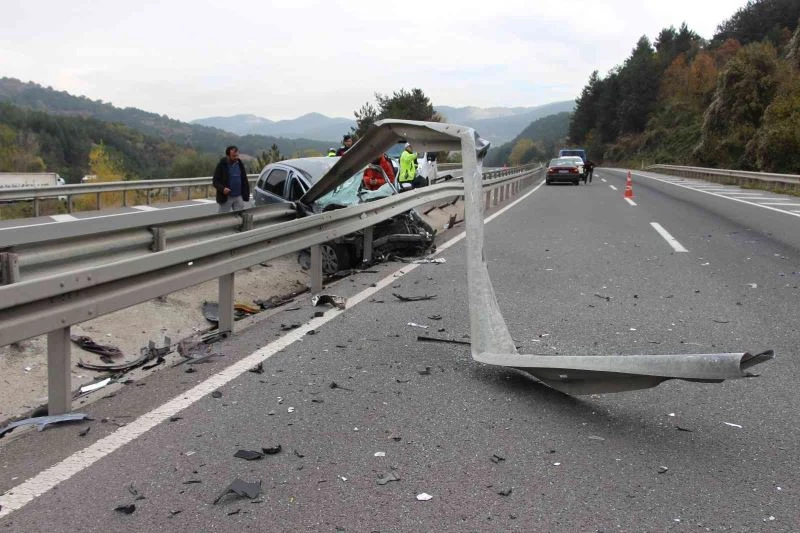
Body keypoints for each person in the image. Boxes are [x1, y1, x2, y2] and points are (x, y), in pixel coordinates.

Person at [213, 145, 250, 213]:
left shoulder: (240, 164)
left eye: (237, 155)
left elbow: (244, 179)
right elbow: (215, 181)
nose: (236, 157)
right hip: (227, 197)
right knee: (222, 218)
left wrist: (245, 193)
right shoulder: (222, 165)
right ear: (228, 156)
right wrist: (223, 189)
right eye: (234, 156)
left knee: (240, 217)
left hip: (238, 196)